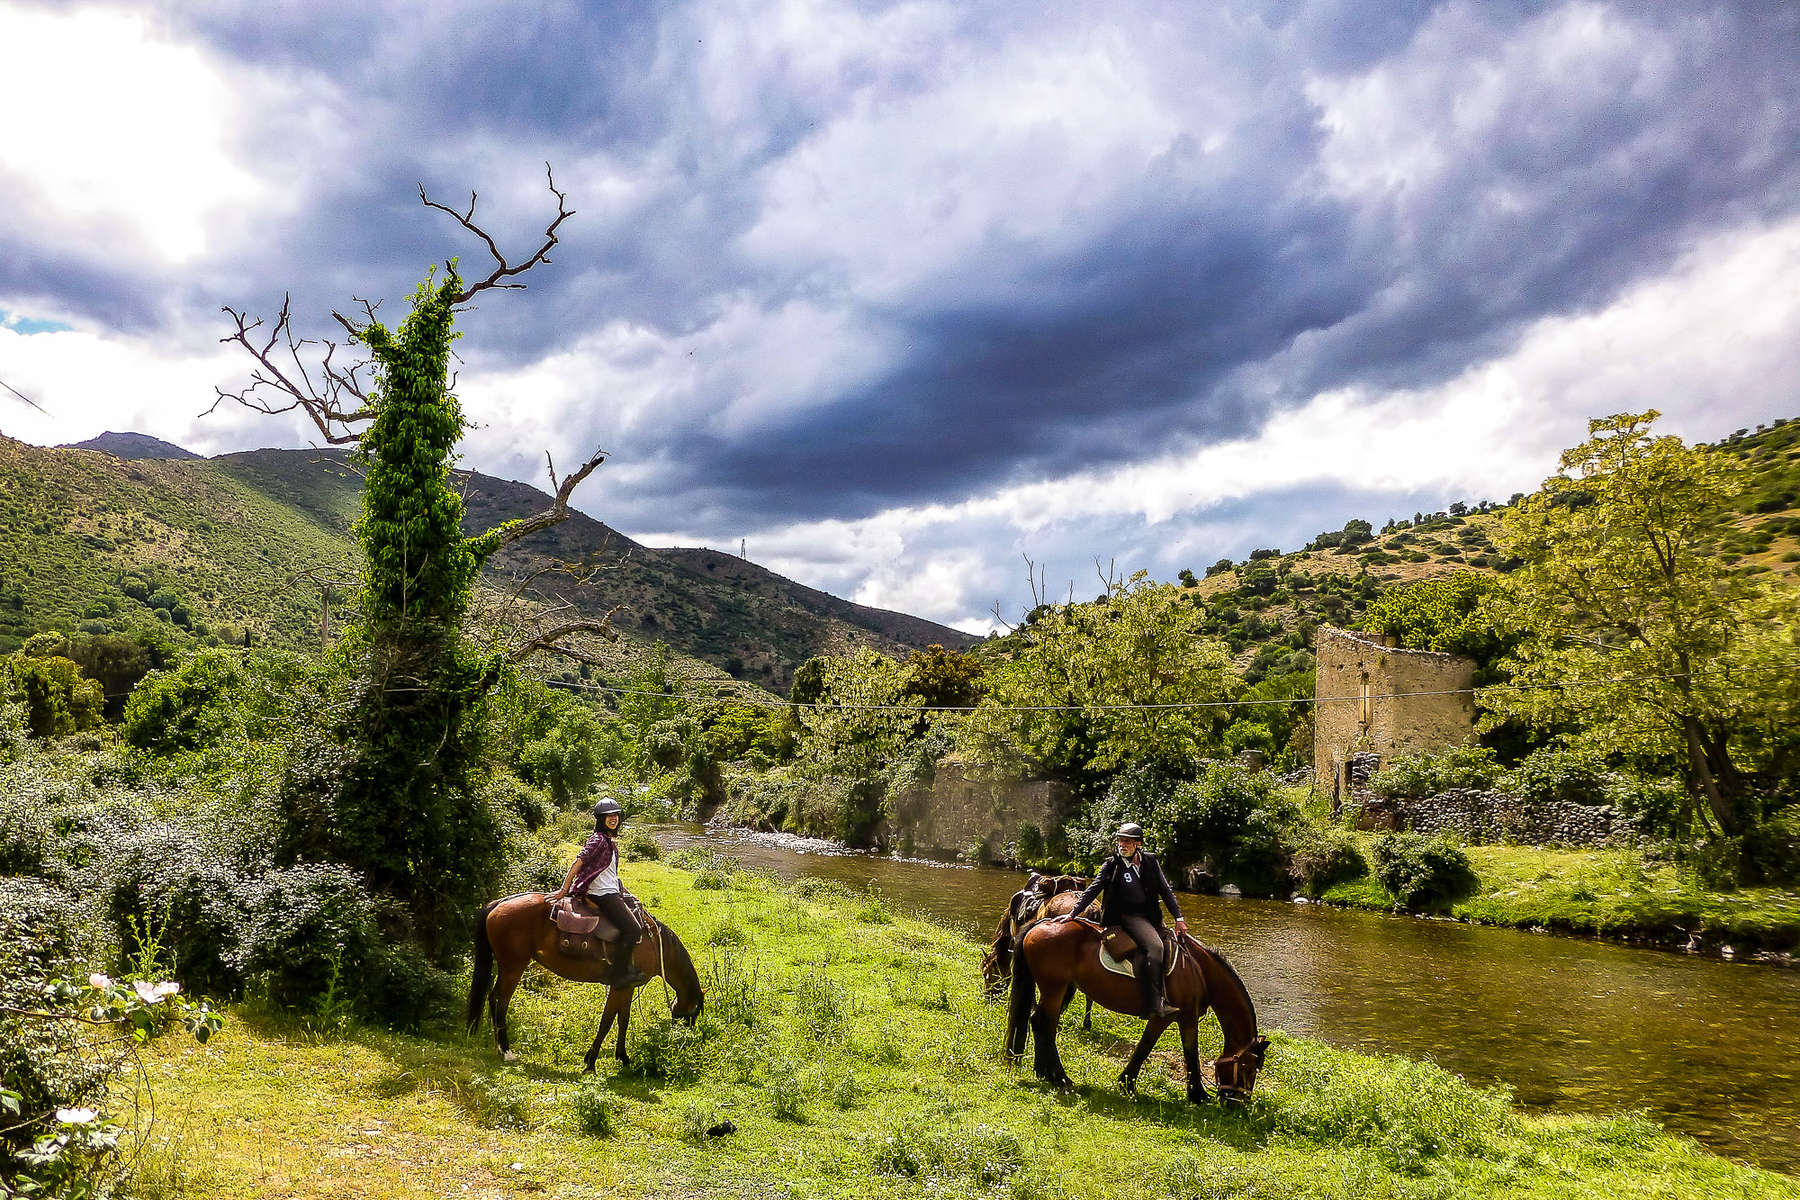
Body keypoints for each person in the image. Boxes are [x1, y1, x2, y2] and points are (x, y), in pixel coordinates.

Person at [1064, 823, 1187, 1018]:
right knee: (1156, 948)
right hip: (1126, 918)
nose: (1122, 844)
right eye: (1120, 840)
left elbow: (1166, 891)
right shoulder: (1112, 865)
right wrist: (1073, 913)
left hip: (1150, 917)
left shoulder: (1150, 861)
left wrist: (1178, 918)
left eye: (1127, 841)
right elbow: (1093, 889)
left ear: (1138, 844)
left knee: (1172, 945)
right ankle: (1155, 1004)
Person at [551, 798, 649, 986]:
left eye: (616, 815)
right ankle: (618, 974)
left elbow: (609, 874)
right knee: (633, 929)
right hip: (602, 894)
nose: (613, 819)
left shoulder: (608, 841)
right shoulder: (598, 840)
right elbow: (578, 862)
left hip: (610, 890)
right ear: (600, 819)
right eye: (608, 816)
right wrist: (564, 889)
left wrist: (625, 891)